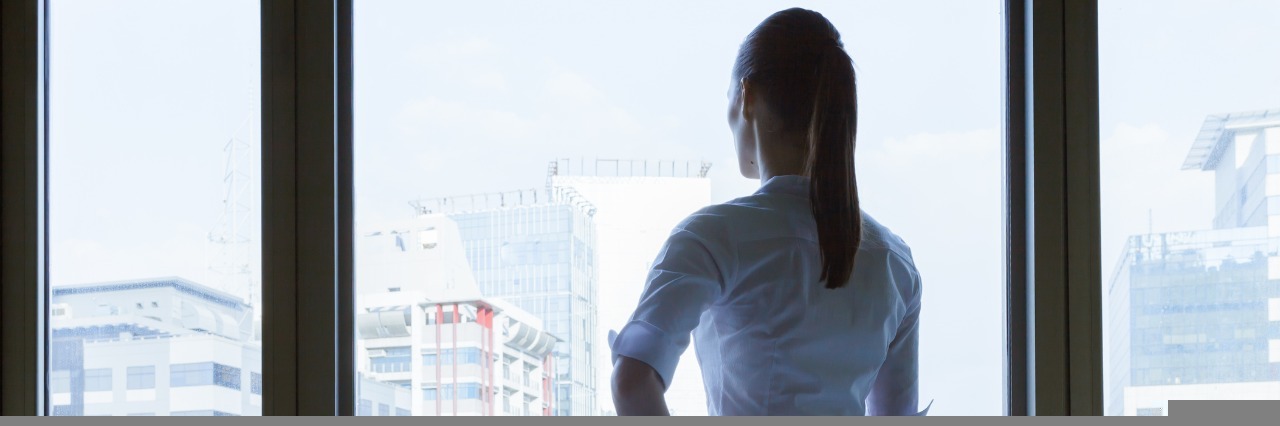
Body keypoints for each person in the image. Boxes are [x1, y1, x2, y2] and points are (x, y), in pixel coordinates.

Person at [608, 8, 930, 416]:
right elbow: (896, 415)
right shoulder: (895, 262)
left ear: (747, 97)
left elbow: (632, 379)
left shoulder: (712, 237)